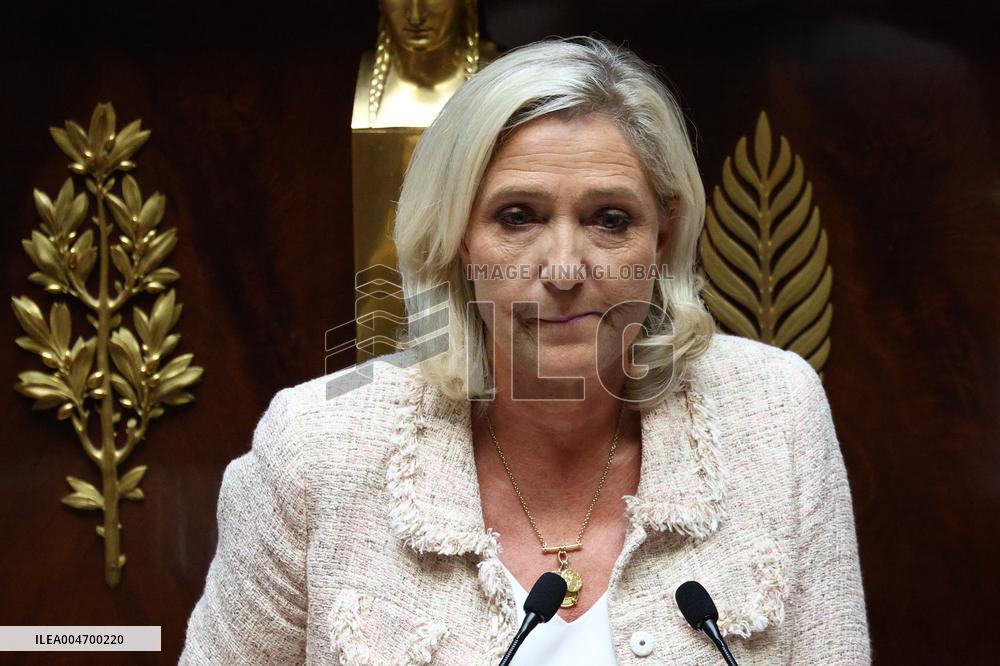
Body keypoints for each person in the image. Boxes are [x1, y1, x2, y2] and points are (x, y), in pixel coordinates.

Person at [180, 36, 871, 665]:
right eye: (518, 217)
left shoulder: (776, 415)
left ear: (662, 237)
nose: (565, 268)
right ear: (458, 239)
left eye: (610, 219)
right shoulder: (316, 445)